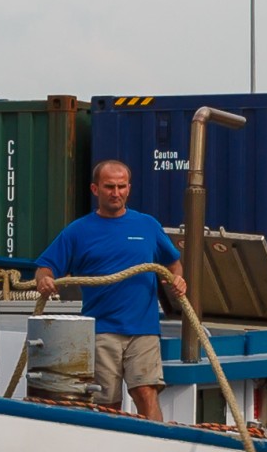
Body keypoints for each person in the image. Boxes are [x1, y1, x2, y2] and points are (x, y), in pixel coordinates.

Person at [31, 160, 190, 419]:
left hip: (144, 329)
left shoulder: (148, 225)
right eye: (109, 187)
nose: (116, 193)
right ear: (95, 189)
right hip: (101, 330)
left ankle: (155, 449)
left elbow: (174, 263)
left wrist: (178, 279)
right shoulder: (78, 231)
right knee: (106, 403)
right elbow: (45, 267)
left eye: (121, 186)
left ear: (129, 188)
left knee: (146, 392)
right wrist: (45, 280)